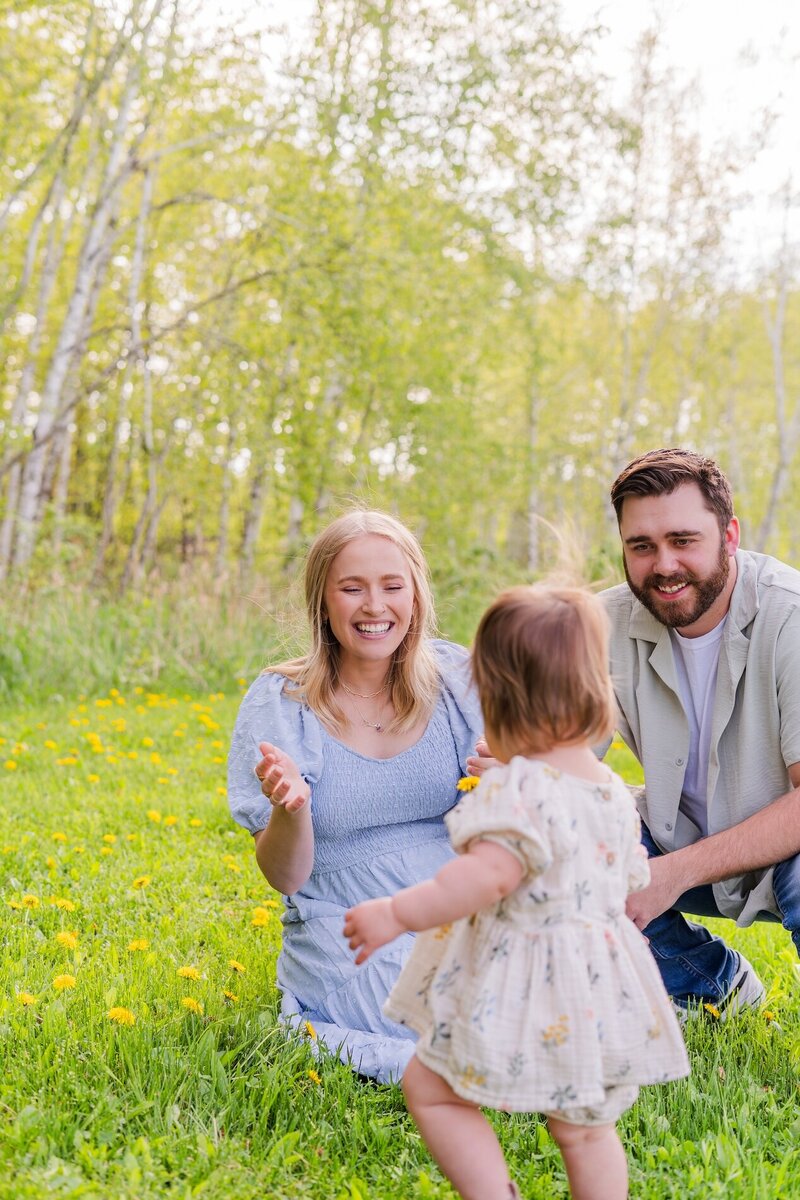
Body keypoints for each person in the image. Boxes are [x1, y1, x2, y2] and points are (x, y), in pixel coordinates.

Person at [344, 585, 689, 1200]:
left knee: (431, 1087)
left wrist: (397, 912)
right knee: (585, 1130)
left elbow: (486, 878)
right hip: (592, 992)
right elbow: (628, 872)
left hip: (520, 982)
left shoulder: (520, 790)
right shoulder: (610, 789)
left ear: (502, 700)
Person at [226, 510, 484, 1084]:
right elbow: (286, 878)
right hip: (343, 924)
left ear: (415, 595)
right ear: (324, 601)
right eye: (352, 588)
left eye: (392, 586)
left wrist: (506, 783)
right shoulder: (283, 701)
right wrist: (290, 810)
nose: (375, 606)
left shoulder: (454, 679)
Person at [603, 446, 800, 1017]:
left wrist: (672, 875)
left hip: (780, 853)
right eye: (642, 546)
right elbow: (551, 771)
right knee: (555, 838)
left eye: (683, 540)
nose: (663, 564)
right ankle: (709, 983)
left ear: (730, 535)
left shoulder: (790, 618)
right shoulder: (600, 625)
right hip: (676, 834)